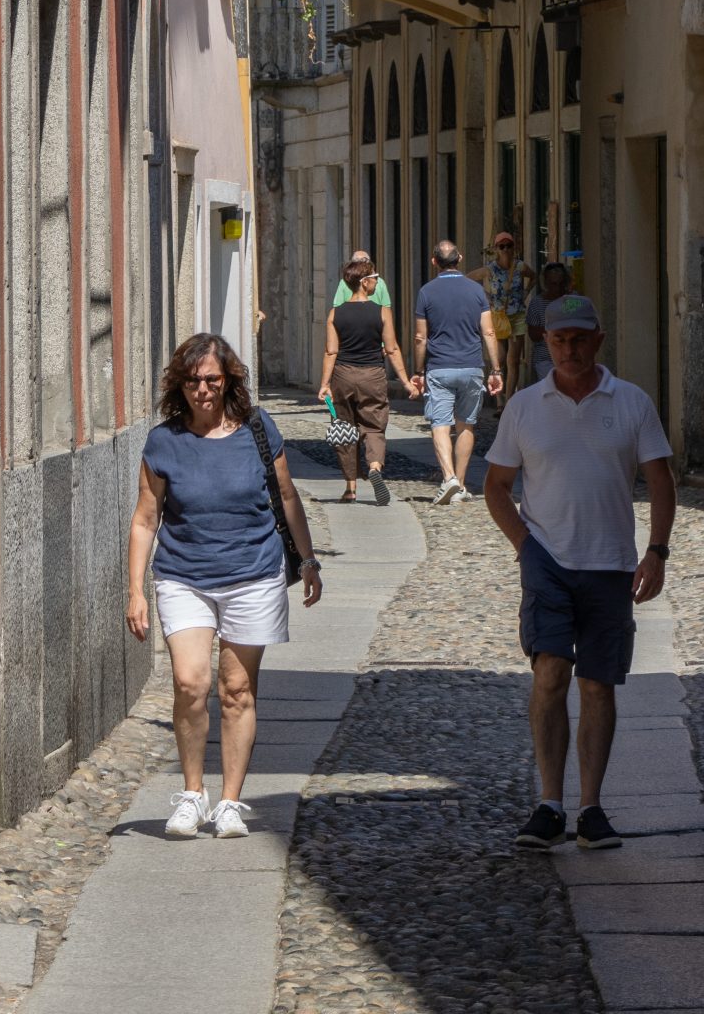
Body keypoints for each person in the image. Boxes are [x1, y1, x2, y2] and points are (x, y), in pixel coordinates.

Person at [482, 293, 676, 853]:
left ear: (598, 341)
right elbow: (496, 488)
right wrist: (525, 548)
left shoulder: (632, 403)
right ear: (545, 342)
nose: (568, 348)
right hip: (547, 559)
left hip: (611, 563)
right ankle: (549, 802)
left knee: (597, 683)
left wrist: (657, 551)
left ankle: (591, 807)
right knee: (549, 675)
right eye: (559, 339)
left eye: (579, 338)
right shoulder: (524, 407)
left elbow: (660, 481)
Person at [127, 332, 321, 840]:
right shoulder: (163, 441)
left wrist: (308, 561)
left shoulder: (257, 430)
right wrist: (135, 590)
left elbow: (288, 496)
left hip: (253, 575)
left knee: (236, 690)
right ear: (180, 384)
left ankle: (231, 801)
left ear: (228, 380)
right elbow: (146, 520)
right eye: (192, 381)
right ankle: (193, 794)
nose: (203, 390)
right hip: (183, 576)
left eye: (212, 379)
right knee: (191, 683)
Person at [319, 258, 419, 504]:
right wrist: (406, 382)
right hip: (372, 374)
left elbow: (331, 351)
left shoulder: (336, 313)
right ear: (364, 283)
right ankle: (374, 466)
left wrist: (324, 384)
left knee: (344, 428)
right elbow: (392, 349)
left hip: (343, 374)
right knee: (373, 427)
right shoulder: (381, 312)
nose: (377, 281)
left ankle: (350, 487)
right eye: (374, 277)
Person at [413, 239, 503, 508]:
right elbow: (488, 331)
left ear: (434, 262)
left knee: (440, 424)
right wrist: (496, 369)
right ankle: (460, 485)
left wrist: (418, 370)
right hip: (471, 366)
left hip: (439, 368)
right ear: (460, 258)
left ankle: (449, 477)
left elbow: (420, 337)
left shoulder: (426, 292)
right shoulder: (477, 292)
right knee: (466, 425)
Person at [481, 231, 532, 398]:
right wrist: (486, 297)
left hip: (517, 316)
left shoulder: (519, 266)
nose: (505, 249)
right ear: (496, 249)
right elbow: (468, 279)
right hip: (498, 316)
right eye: (501, 246)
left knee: (513, 361)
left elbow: (534, 277)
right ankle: (499, 401)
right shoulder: (491, 269)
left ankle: (509, 400)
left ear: (513, 247)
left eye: (508, 246)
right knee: (499, 360)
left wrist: (526, 292)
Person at [525, 260, 574, 380]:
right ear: (546, 283)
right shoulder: (537, 303)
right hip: (545, 359)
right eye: (553, 284)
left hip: (571, 356)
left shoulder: (574, 301)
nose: (557, 288)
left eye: (560, 284)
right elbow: (533, 335)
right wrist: (554, 328)